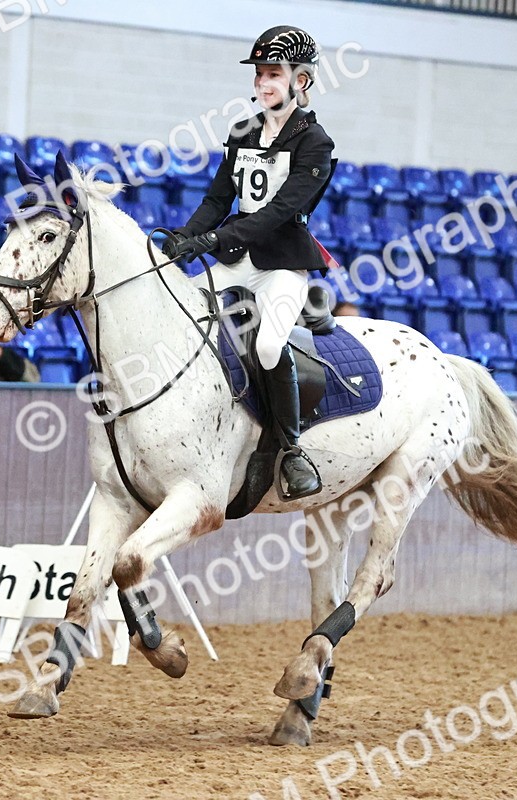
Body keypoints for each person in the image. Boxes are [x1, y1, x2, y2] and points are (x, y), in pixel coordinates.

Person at [162, 25, 334, 501]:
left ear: (301, 81)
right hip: (237, 258)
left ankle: (292, 450)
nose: (262, 84)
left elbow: (279, 213)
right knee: (185, 315)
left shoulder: (314, 142)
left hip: (281, 264)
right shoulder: (242, 132)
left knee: (266, 347)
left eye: (273, 74)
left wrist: (214, 239)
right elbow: (218, 198)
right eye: (260, 74)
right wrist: (185, 237)